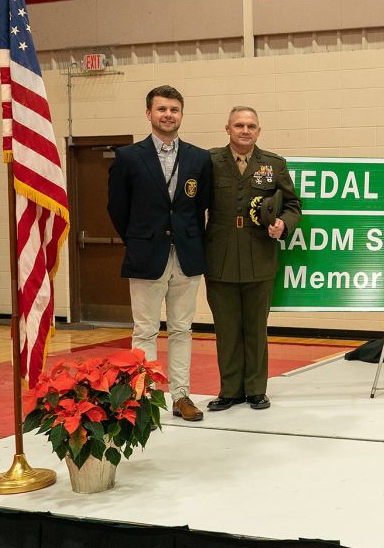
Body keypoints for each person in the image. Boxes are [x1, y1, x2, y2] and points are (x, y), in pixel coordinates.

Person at [107, 85, 213, 422]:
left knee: (182, 329)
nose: (168, 115)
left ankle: (181, 396)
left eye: (174, 110)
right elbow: (117, 208)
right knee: (145, 331)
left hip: (186, 256)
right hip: (145, 255)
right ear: (149, 113)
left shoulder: (199, 157)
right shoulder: (128, 156)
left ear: (182, 114)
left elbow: (201, 207)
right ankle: (144, 399)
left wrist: (187, 238)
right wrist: (139, 239)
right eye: (162, 109)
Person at [204, 106, 302, 412]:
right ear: (227, 129)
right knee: (227, 327)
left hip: (260, 254)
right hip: (219, 255)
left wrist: (284, 223)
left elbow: (293, 204)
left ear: (258, 131)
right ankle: (230, 389)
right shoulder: (210, 162)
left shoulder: (273, 164)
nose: (245, 131)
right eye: (239, 125)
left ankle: (257, 389)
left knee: (256, 327)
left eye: (251, 126)